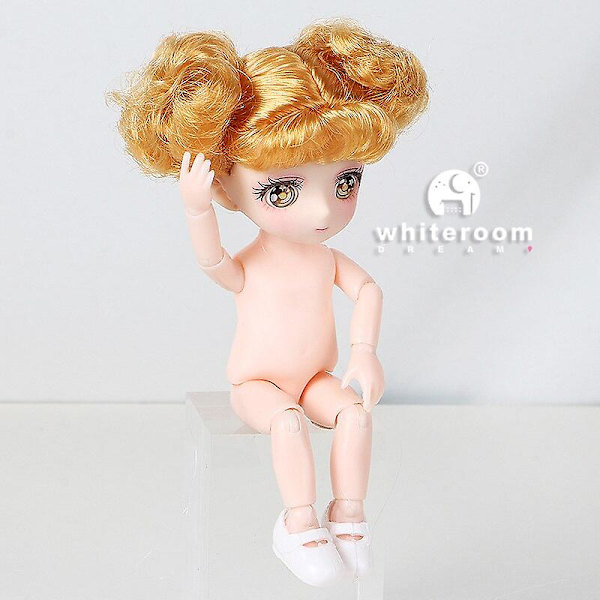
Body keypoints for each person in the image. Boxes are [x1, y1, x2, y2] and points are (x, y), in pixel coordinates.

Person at [111, 17, 428, 586]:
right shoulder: (252, 264)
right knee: (287, 424)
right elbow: (214, 264)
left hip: (316, 378)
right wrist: (196, 209)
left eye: (346, 182)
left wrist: (364, 351)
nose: (323, 211)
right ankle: (298, 524)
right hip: (258, 384)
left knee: (354, 415)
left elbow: (368, 290)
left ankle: (348, 517)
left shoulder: (327, 259)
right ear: (226, 185)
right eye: (282, 190)